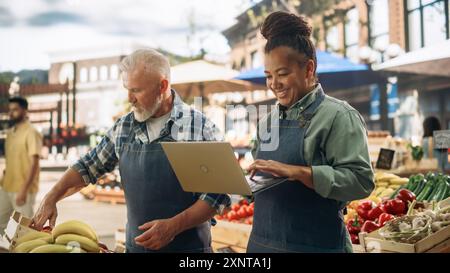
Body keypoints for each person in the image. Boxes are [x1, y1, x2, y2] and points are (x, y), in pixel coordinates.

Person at [31, 49, 231, 253]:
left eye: (136, 90)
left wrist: (173, 226)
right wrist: (51, 197)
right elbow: (87, 167)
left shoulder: (199, 127)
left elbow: (217, 196)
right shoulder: (123, 128)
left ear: (162, 86)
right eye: (127, 89)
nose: (130, 98)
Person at [246, 11, 374, 253]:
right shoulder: (266, 122)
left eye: (283, 74)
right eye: (269, 76)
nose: (274, 84)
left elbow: (361, 181)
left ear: (308, 69)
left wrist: (299, 172)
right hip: (262, 245)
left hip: (317, 245)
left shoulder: (338, 116)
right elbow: (262, 179)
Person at [0, 97, 42, 235]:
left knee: (23, 230)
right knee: (2, 225)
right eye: (10, 110)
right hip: (6, 187)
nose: (11, 113)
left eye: (15, 110)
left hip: (24, 189)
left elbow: (34, 163)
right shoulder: (11, 133)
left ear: (25, 111)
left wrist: (23, 189)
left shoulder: (32, 132)